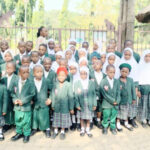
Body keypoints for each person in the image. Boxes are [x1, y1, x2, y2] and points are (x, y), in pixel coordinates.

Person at [11, 66, 35, 143]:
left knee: (26, 121)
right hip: (17, 107)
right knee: (18, 120)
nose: (26, 74)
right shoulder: (15, 82)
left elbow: (32, 94)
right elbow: (12, 93)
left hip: (26, 107)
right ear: (19, 73)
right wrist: (15, 100)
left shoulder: (31, 83)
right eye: (24, 72)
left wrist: (23, 101)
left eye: (27, 72)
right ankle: (19, 132)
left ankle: (26, 134)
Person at [50, 67, 74, 140]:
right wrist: (53, 104)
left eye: (63, 75)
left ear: (66, 76)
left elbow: (70, 97)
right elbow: (53, 95)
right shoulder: (55, 84)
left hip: (65, 106)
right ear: (57, 76)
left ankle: (62, 131)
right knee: (56, 118)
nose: (61, 77)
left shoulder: (68, 85)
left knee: (63, 119)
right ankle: (56, 130)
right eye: (59, 75)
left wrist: (71, 108)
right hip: (57, 106)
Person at [74, 66, 96, 137]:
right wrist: (77, 105)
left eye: (85, 74)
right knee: (82, 117)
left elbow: (94, 94)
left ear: (87, 74)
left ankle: (88, 129)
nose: (83, 75)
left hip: (89, 103)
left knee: (88, 117)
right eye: (81, 74)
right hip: (81, 103)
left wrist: (94, 104)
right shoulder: (77, 83)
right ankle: (82, 129)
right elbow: (76, 95)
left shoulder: (91, 83)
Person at [119, 47, 139, 128]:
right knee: (122, 106)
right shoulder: (120, 62)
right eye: (125, 54)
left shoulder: (134, 64)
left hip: (132, 87)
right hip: (122, 88)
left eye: (129, 55)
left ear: (131, 55)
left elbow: (137, 77)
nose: (127, 56)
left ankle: (132, 120)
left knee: (132, 105)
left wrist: (136, 89)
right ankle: (122, 120)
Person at [31, 65, 51, 138]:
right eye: (37, 72)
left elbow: (52, 89)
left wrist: (50, 98)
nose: (40, 73)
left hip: (44, 102)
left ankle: (47, 129)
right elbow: (28, 91)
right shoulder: (31, 81)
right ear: (33, 73)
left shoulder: (46, 81)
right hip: (35, 102)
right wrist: (30, 99)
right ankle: (34, 128)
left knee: (45, 115)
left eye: (41, 72)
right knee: (35, 115)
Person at [100, 65, 120, 135]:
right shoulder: (103, 81)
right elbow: (104, 94)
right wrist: (113, 101)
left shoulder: (117, 81)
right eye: (110, 72)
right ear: (106, 72)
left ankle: (112, 127)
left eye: (113, 72)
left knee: (113, 116)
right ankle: (105, 126)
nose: (112, 74)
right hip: (107, 103)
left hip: (115, 104)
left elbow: (118, 92)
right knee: (106, 115)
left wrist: (117, 101)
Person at [116, 63, 136, 132]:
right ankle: (118, 123)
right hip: (120, 100)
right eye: (122, 71)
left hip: (128, 99)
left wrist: (134, 98)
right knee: (119, 112)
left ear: (128, 73)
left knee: (127, 112)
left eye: (126, 72)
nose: (124, 73)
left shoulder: (130, 80)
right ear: (120, 71)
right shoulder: (117, 81)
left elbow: (133, 89)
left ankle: (126, 123)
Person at [1, 62, 18, 131]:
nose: (8, 69)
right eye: (7, 67)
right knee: (6, 111)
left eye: (10, 68)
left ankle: (13, 123)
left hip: (13, 97)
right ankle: (7, 123)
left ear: (14, 69)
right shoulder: (3, 78)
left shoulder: (17, 78)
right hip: (5, 99)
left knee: (13, 111)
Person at [90, 60, 106, 129]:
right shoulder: (91, 74)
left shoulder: (104, 75)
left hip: (101, 95)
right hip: (92, 94)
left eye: (97, 64)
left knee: (99, 108)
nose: (95, 65)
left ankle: (98, 120)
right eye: (94, 64)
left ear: (101, 66)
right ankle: (90, 121)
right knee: (91, 107)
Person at [138, 50, 150, 128]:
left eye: (149, 56)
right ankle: (143, 119)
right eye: (146, 56)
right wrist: (138, 89)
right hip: (143, 87)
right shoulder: (140, 66)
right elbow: (137, 79)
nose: (148, 58)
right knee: (144, 104)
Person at [68, 61, 80, 131]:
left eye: (74, 69)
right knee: (72, 109)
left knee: (78, 109)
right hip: (71, 95)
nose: (73, 70)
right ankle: (73, 122)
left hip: (78, 95)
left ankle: (78, 122)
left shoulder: (79, 75)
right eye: (71, 69)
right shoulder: (69, 76)